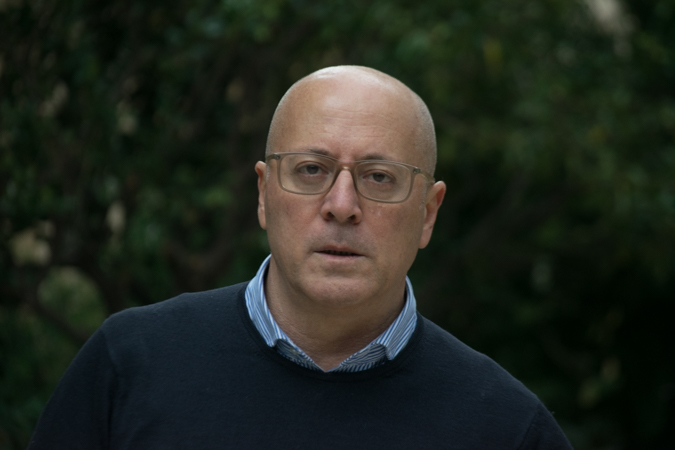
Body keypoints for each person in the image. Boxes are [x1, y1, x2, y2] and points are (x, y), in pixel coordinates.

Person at [29, 66, 572, 449]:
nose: (342, 205)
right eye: (311, 170)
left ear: (428, 213)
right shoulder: (129, 365)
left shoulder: (507, 429)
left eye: (379, 178)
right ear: (264, 194)